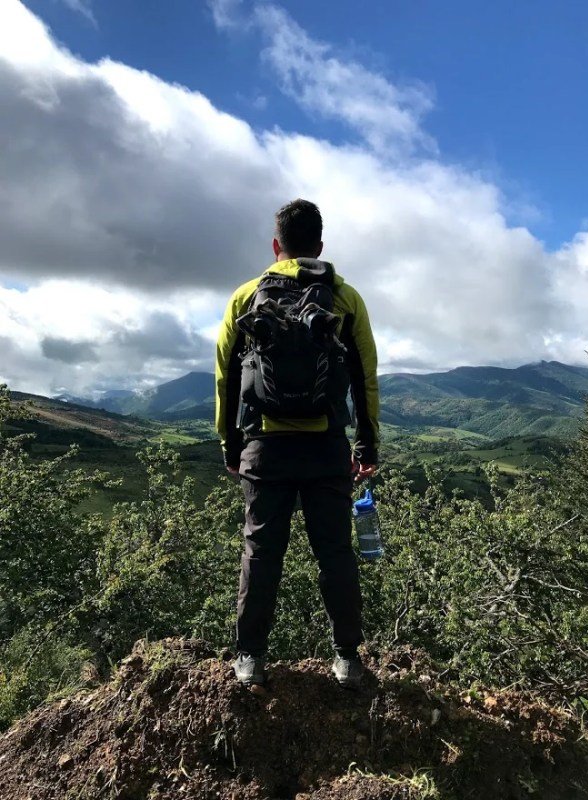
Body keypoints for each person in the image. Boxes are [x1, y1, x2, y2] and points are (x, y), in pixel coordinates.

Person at [215, 199, 379, 688]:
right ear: (320, 246)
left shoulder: (247, 296)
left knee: (261, 551)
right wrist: (366, 446)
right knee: (335, 552)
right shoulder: (345, 298)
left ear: (276, 245)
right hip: (326, 446)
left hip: (264, 447)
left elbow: (226, 376)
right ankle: (347, 659)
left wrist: (230, 444)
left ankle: (250, 658)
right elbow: (364, 376)